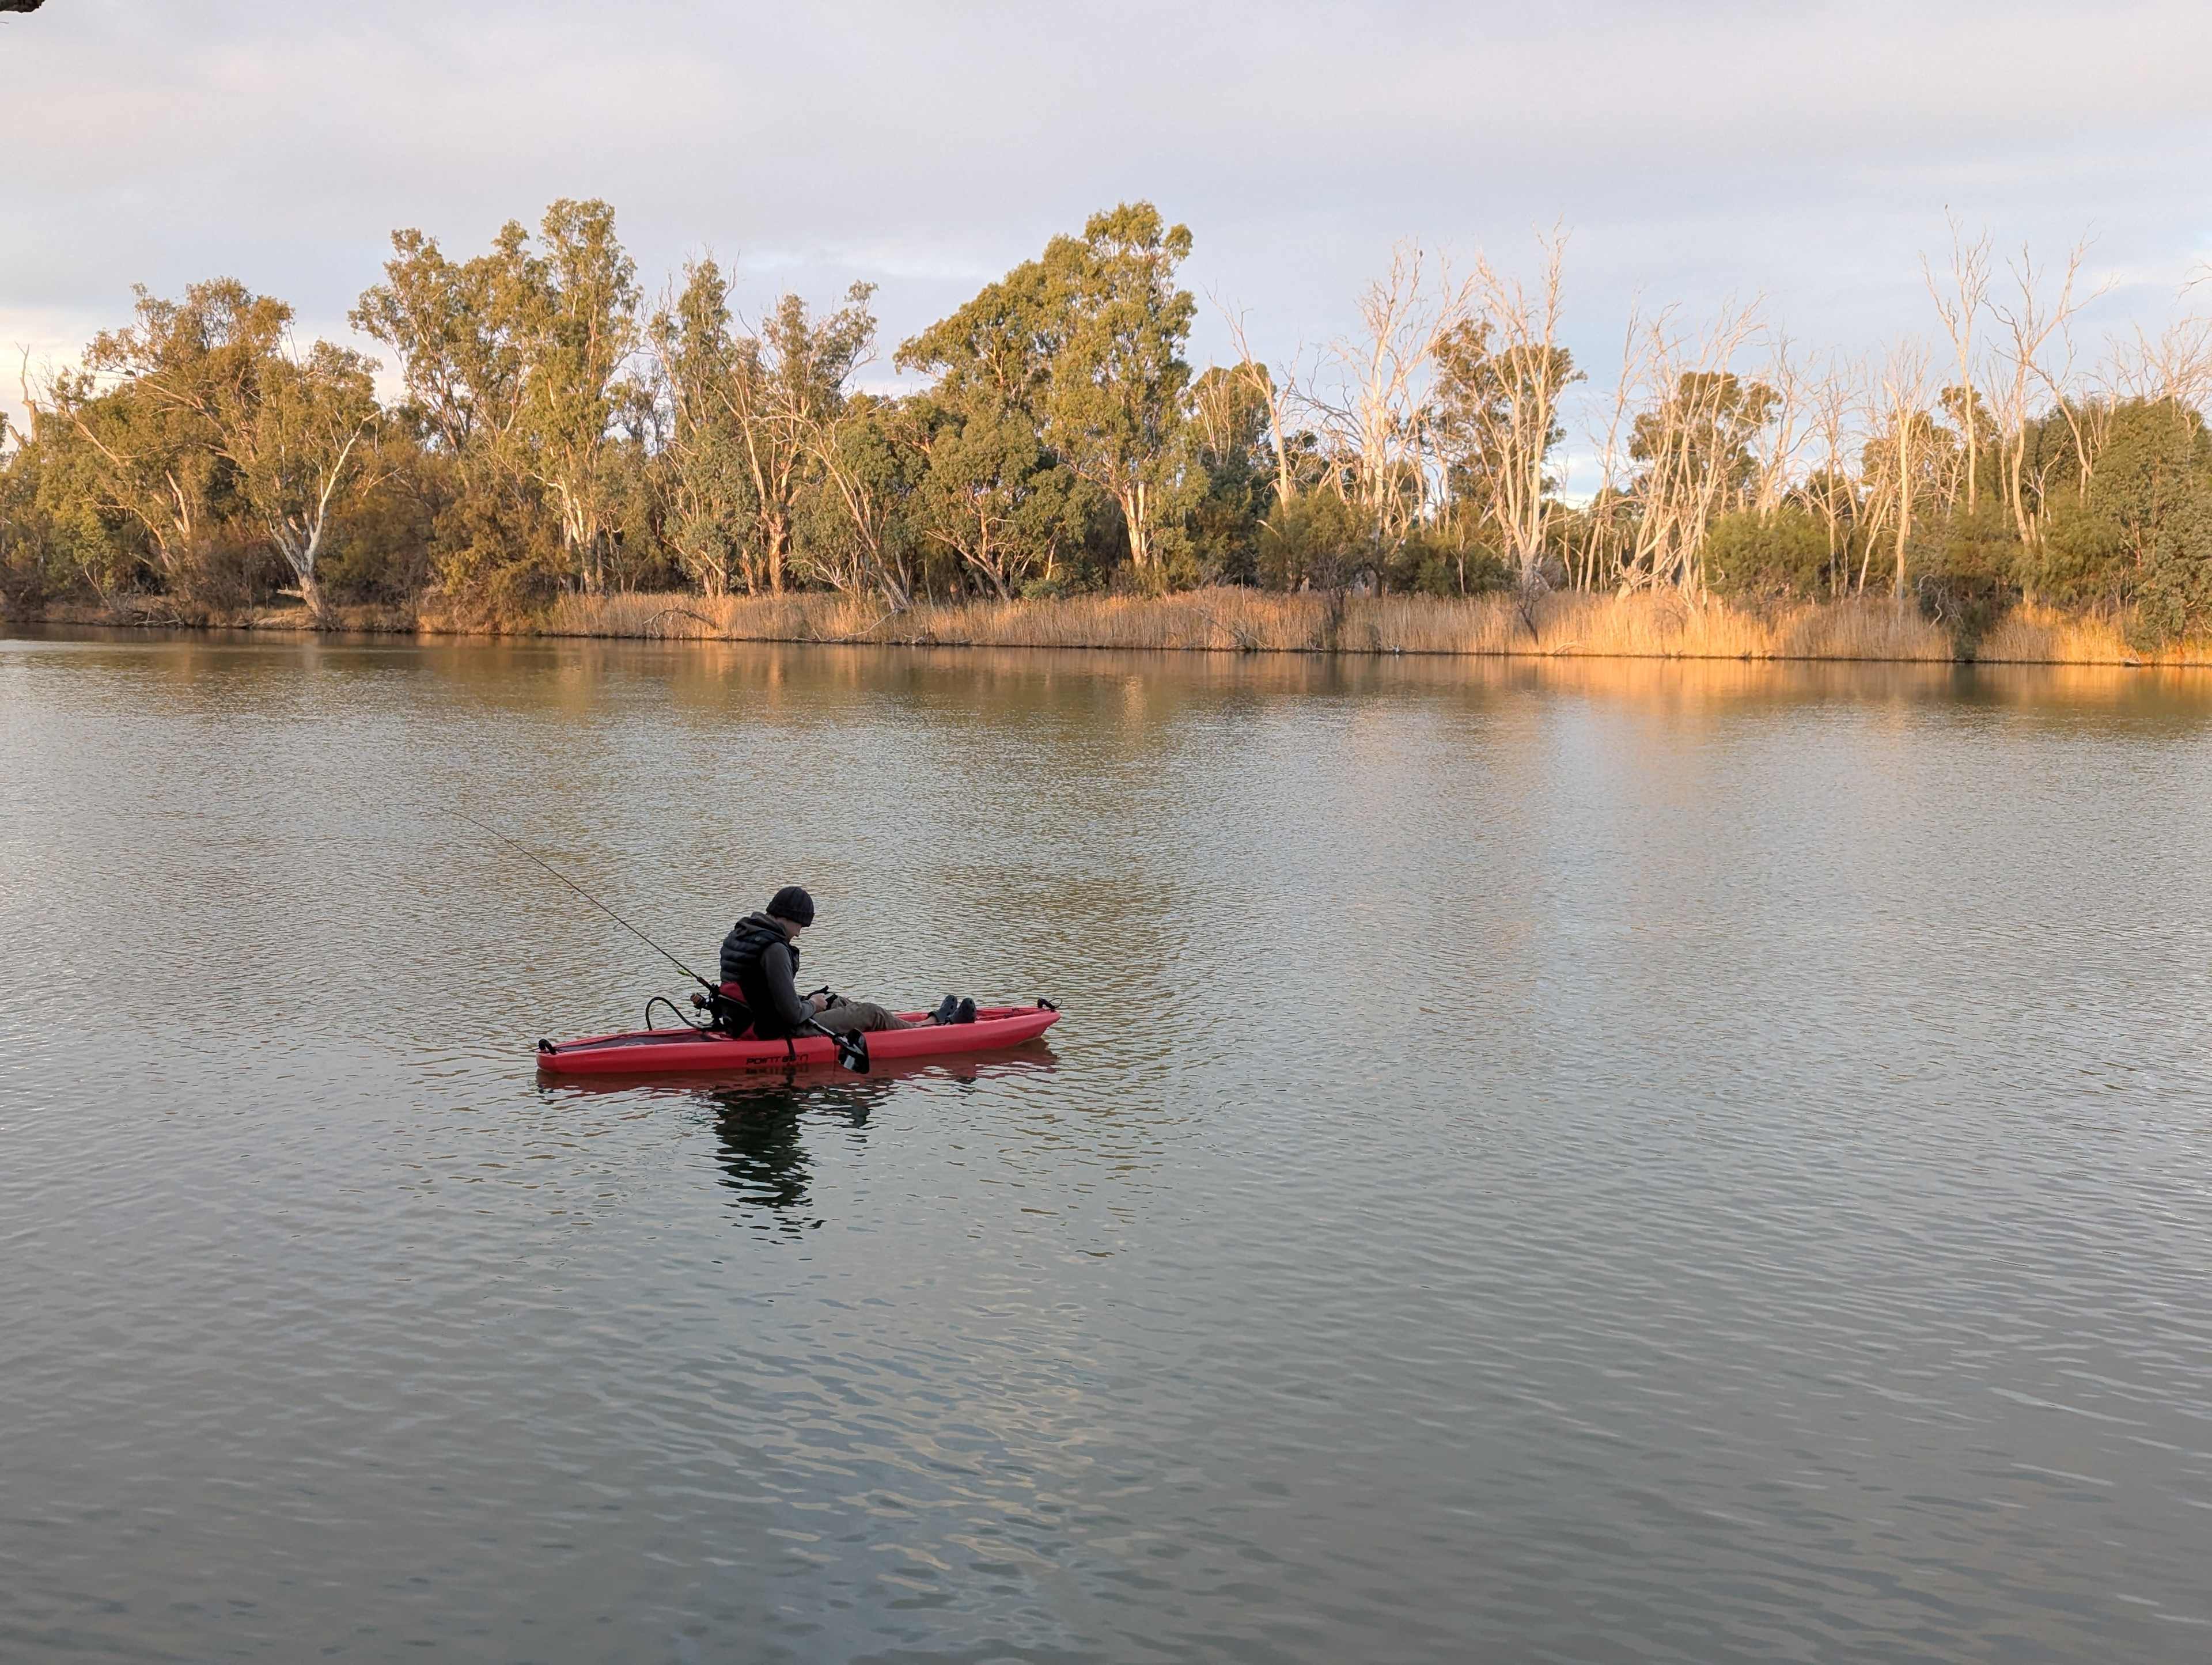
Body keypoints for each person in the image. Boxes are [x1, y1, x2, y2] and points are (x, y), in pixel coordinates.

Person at [718, 886, 972, 1038]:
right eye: (801, 925)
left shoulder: (744, 934)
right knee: (870, 1012)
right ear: (788, 918)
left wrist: (815, 1002)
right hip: (773, 1030)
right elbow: (791, 1015)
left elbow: (760, 992)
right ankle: (929, 1030)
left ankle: (917, 1025)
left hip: (745, 1021)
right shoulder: (774, 949)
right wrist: (811, 1004)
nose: (800, 933)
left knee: (835, 1000)